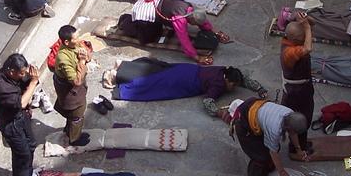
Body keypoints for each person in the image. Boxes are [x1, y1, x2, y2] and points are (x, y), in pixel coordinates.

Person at [106, 59, 266, 116]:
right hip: (184, 83)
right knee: (152, 85)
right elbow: (208, 102)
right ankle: (115, 77)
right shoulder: (219, 85)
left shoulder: (224, 70)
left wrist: (259, 88)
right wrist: (219, 112)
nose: (233, 87)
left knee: (157, 71)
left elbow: (244, 80)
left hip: (186, 69)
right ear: (228, 80)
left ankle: (123, 67)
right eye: (233, 85)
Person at [116, 0, 230, 65]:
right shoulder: (180, 19)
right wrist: (197, 57)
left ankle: (136, 22)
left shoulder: (191, 9)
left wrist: (215, 33)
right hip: (143, 12)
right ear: (191, 20)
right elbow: (184, 41)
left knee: (158, 30)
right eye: (195, 24)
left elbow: (203, 23)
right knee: (146, 39)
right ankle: (126, 21)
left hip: (156, 8)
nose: (196, 26)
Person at [231, 97, 310, 176]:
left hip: (254, 110)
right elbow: (273, 152)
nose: (294, 133)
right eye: (293, 131)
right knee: (261, 157)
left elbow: (293, 134)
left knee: (272, 148)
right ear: (289, 128)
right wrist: (284, 175)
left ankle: (267, 167)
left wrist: (298, 150)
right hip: (243, 122)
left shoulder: (290, 114)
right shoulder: (275, 129)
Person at [0, 54, 38, 176]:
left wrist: (30, 76)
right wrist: (33, 82)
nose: (23, 76)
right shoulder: (2, 87)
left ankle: (28, 174)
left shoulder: (11, 75)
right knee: (22, 154)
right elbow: (22, 103)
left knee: (31, 145)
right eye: (21, 73)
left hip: (21, 117)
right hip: (11, 124)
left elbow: (24, 83)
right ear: (12, 71)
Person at [279, 18, 314, 156]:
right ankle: (298, 147)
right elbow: (308, 48)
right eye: (303, 37)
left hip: (302, 87)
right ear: (296, 38)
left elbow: (311, 29)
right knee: (301, 118)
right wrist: (306, 28)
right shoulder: (289, 53)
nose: (306, 38)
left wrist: (307, 22)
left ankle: (302, 143)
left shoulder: (291, 41)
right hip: (296, 92)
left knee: (305, 115)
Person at [53, 25, 91, 146]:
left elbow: (87, 55)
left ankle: (69, 130)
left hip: (78, 91)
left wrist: (85, 56)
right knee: (76, 115)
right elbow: (76, 81)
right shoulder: (63, 58)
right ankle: (74, 139)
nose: (78, 40)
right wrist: (82, 61)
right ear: (66, 42)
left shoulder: (75, 45)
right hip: (71, 92)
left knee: (76, 112)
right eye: (75, 38)